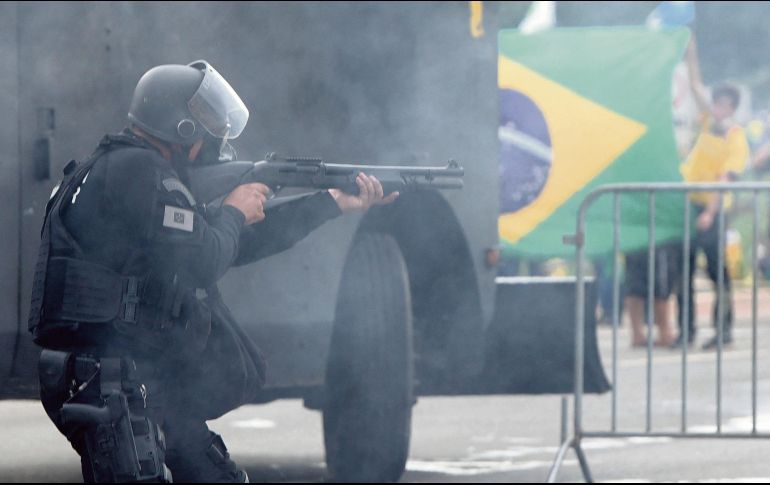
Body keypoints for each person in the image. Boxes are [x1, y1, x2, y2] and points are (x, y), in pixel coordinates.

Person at [28, 60, 397, 483]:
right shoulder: (139, 171)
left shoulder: (123, 168)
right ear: (182, 128)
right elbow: (205, 258)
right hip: (106, 379)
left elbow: (229, 244)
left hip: (130, 375)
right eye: (205, 122)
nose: (214, 137)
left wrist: (331, 203)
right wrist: (234, 212)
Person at [675, 36, 749, 349]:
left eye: (724, 105)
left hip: (713, 210)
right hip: (690, 204)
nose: (718, 109)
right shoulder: (707, 123)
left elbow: (725, 177)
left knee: (718, 274)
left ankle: (723, 329)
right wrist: (691, 52)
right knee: (684, 272)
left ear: (732, 109)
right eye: (716, 104)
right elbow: (696, 87)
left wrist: (709, 212)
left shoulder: (736, 137)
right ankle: (686, 330)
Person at [624, 243, 680, 348]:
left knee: (635, 286)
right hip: (658, 242)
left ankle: (638, 334)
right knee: (660, 287)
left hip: (635, 241)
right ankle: (664, 333)